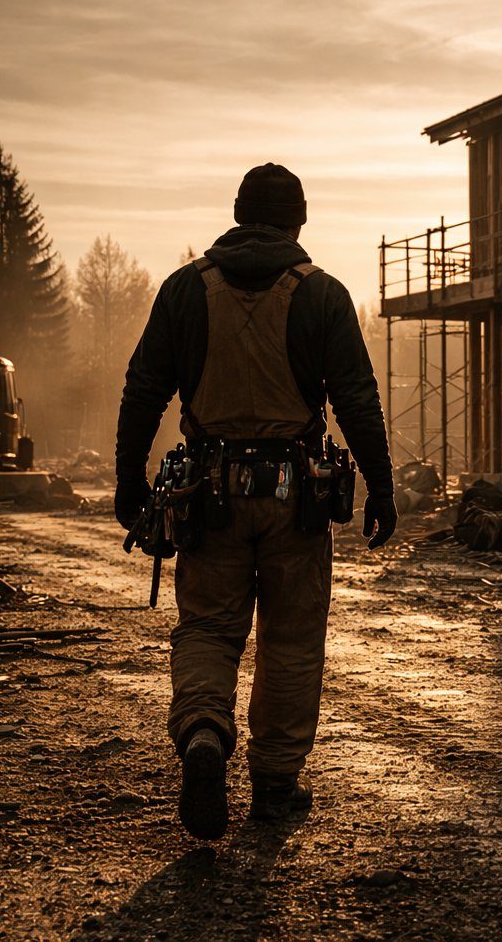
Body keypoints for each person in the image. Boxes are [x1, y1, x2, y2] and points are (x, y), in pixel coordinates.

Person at [114, 163, 397, 839]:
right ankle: (274, 786)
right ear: (298, 222)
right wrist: (380, 487)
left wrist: (128, 479)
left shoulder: (185, 290)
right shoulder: (322, 294)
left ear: (238, 215)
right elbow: (356, 397)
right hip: (295, 498)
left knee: (209, 628)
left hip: (207, 496)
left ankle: (206, 733)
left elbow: (143, 389)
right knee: (291, 639)